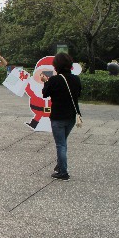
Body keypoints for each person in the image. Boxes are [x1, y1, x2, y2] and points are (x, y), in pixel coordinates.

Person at [41, 52, 82, 181]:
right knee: (63, 142)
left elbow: (45, 94)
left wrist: (45, 82)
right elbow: (78, 93)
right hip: (71, 116)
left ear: (56, 66)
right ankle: (60, 166)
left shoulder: (54, 80)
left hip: (58, 116)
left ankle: (63, 172)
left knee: (61, 145)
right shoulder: (76, 79)